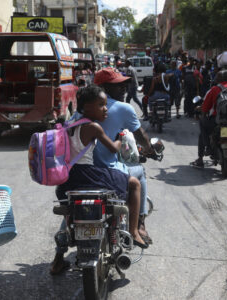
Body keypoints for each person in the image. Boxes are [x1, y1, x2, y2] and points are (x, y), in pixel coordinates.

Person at [50, 69, 155, 274]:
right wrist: (139, 145)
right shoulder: (118, 111)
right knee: (136, 179)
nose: (124, 87)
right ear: (102, 90)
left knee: (75, 206)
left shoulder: (73, 120)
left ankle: (58, 255)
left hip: (69, 180)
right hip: (98, 173)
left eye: (124, 84)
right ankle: (136, 228)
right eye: (118, 84)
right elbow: (133, 138)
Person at [191, 69, 227, 172]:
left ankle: (203, 155)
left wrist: (203, 117)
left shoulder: (215, 89)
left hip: (216, 122)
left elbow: (205, 109)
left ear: (221, 78)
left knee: (202, 125)